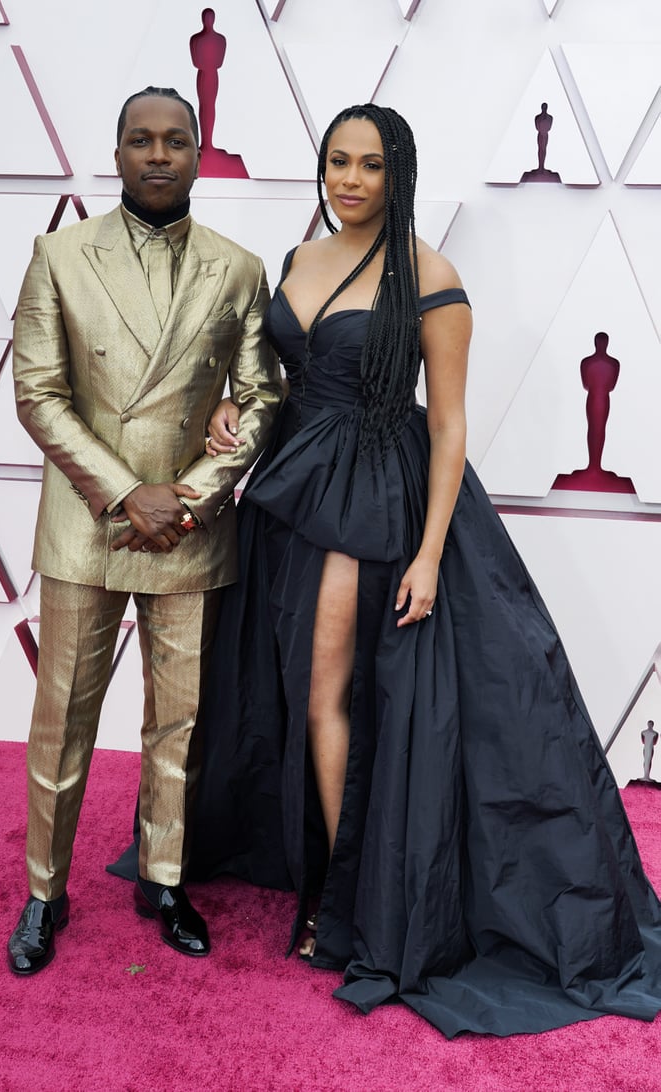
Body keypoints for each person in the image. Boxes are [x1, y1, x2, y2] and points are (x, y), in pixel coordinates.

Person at [190, 103, 661, 1037]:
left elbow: (447, 425)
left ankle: (340, 903)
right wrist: (232, 413)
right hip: (293, 487)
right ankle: (328, 871)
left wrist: (433, 551)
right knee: (298, 688)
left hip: (375, 498)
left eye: (368, 164)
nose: (349, 180)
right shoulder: (298, 260)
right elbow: (288, 376)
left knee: (333, 690)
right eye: (336, 162)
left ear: (397, 172)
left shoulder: (431, 276)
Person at [7, 86, 282, 976]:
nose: (158, 155)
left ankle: (164, 878)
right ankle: (45, 891)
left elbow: (262, 394)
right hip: (91, 522)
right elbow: (38, 395)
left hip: (191, 528)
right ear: (116, 152)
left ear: (200, 152)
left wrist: (192, 495)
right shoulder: (59, 256)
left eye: (175, 140)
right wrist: (130, 493)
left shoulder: (238, 268)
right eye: (140, 140)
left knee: (182, 723)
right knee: (63, 718)